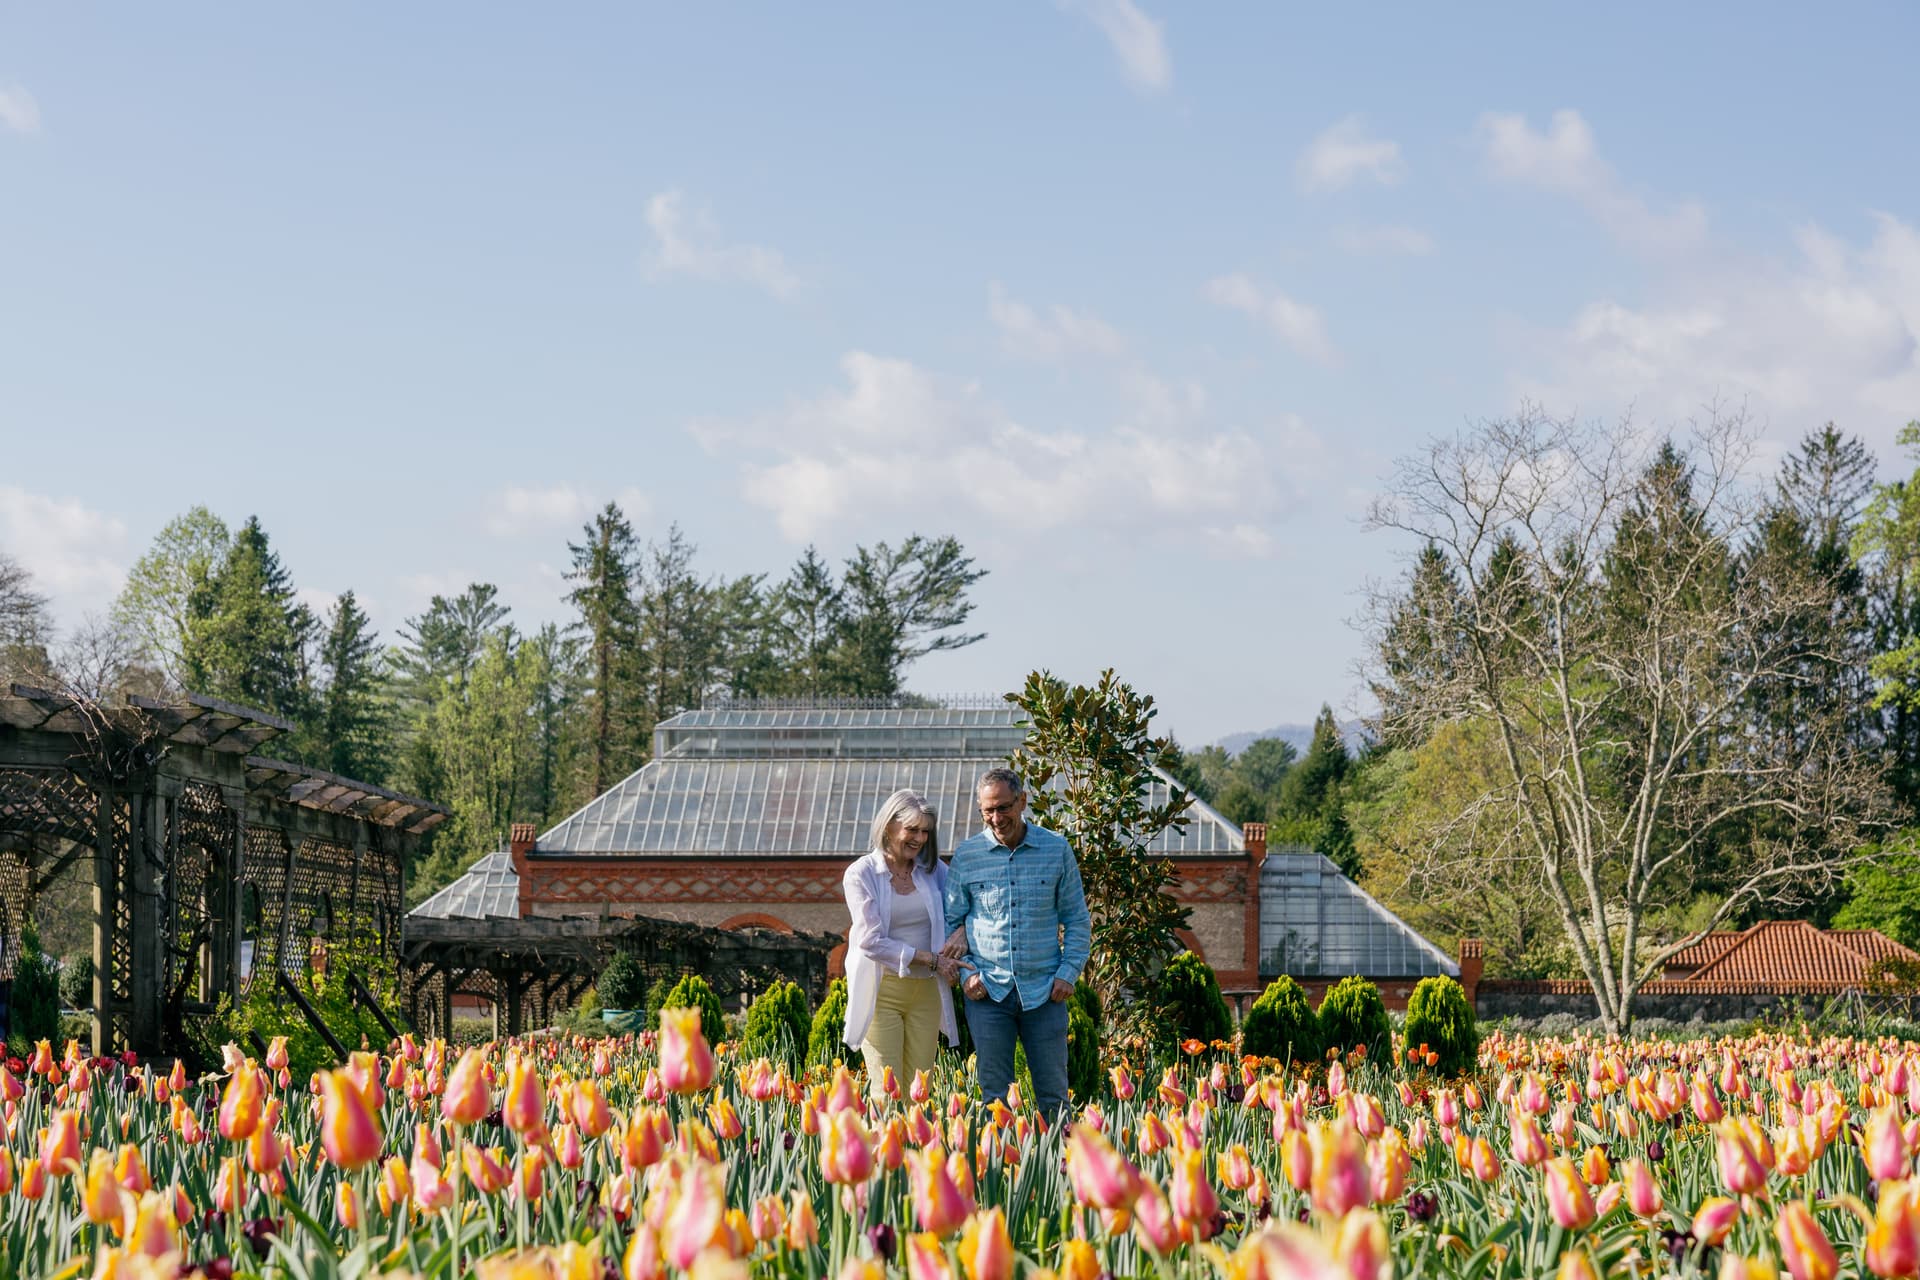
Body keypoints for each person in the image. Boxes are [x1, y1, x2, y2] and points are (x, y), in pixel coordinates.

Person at [942, 766, 1090, 1119]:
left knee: (1053, 1096)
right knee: (995, 1097)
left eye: (1004, 807)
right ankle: (1002, 1172)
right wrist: (967, 976)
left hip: (1045, 992)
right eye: (987, 810)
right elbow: (951, 923)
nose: (996, 818)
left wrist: (1069, 973)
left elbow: (1077, 919)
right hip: (987, 993)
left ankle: (1060, 1169)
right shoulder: (967, 855)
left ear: (1022, 801)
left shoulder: (1056, 850)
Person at [841, 788, 961, 1095]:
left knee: (921, 1089)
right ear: (889, 825)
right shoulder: (861, 874)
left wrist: (960, 934)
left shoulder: (934, 872)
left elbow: (962, 908)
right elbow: (870, 941)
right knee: (888, 1089)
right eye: (912, 829)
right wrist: (930, 959)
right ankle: (886, 1143)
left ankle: (917, 1145)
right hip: (883, 990)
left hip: (926, 992)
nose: (919, 839)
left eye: (925, 832)